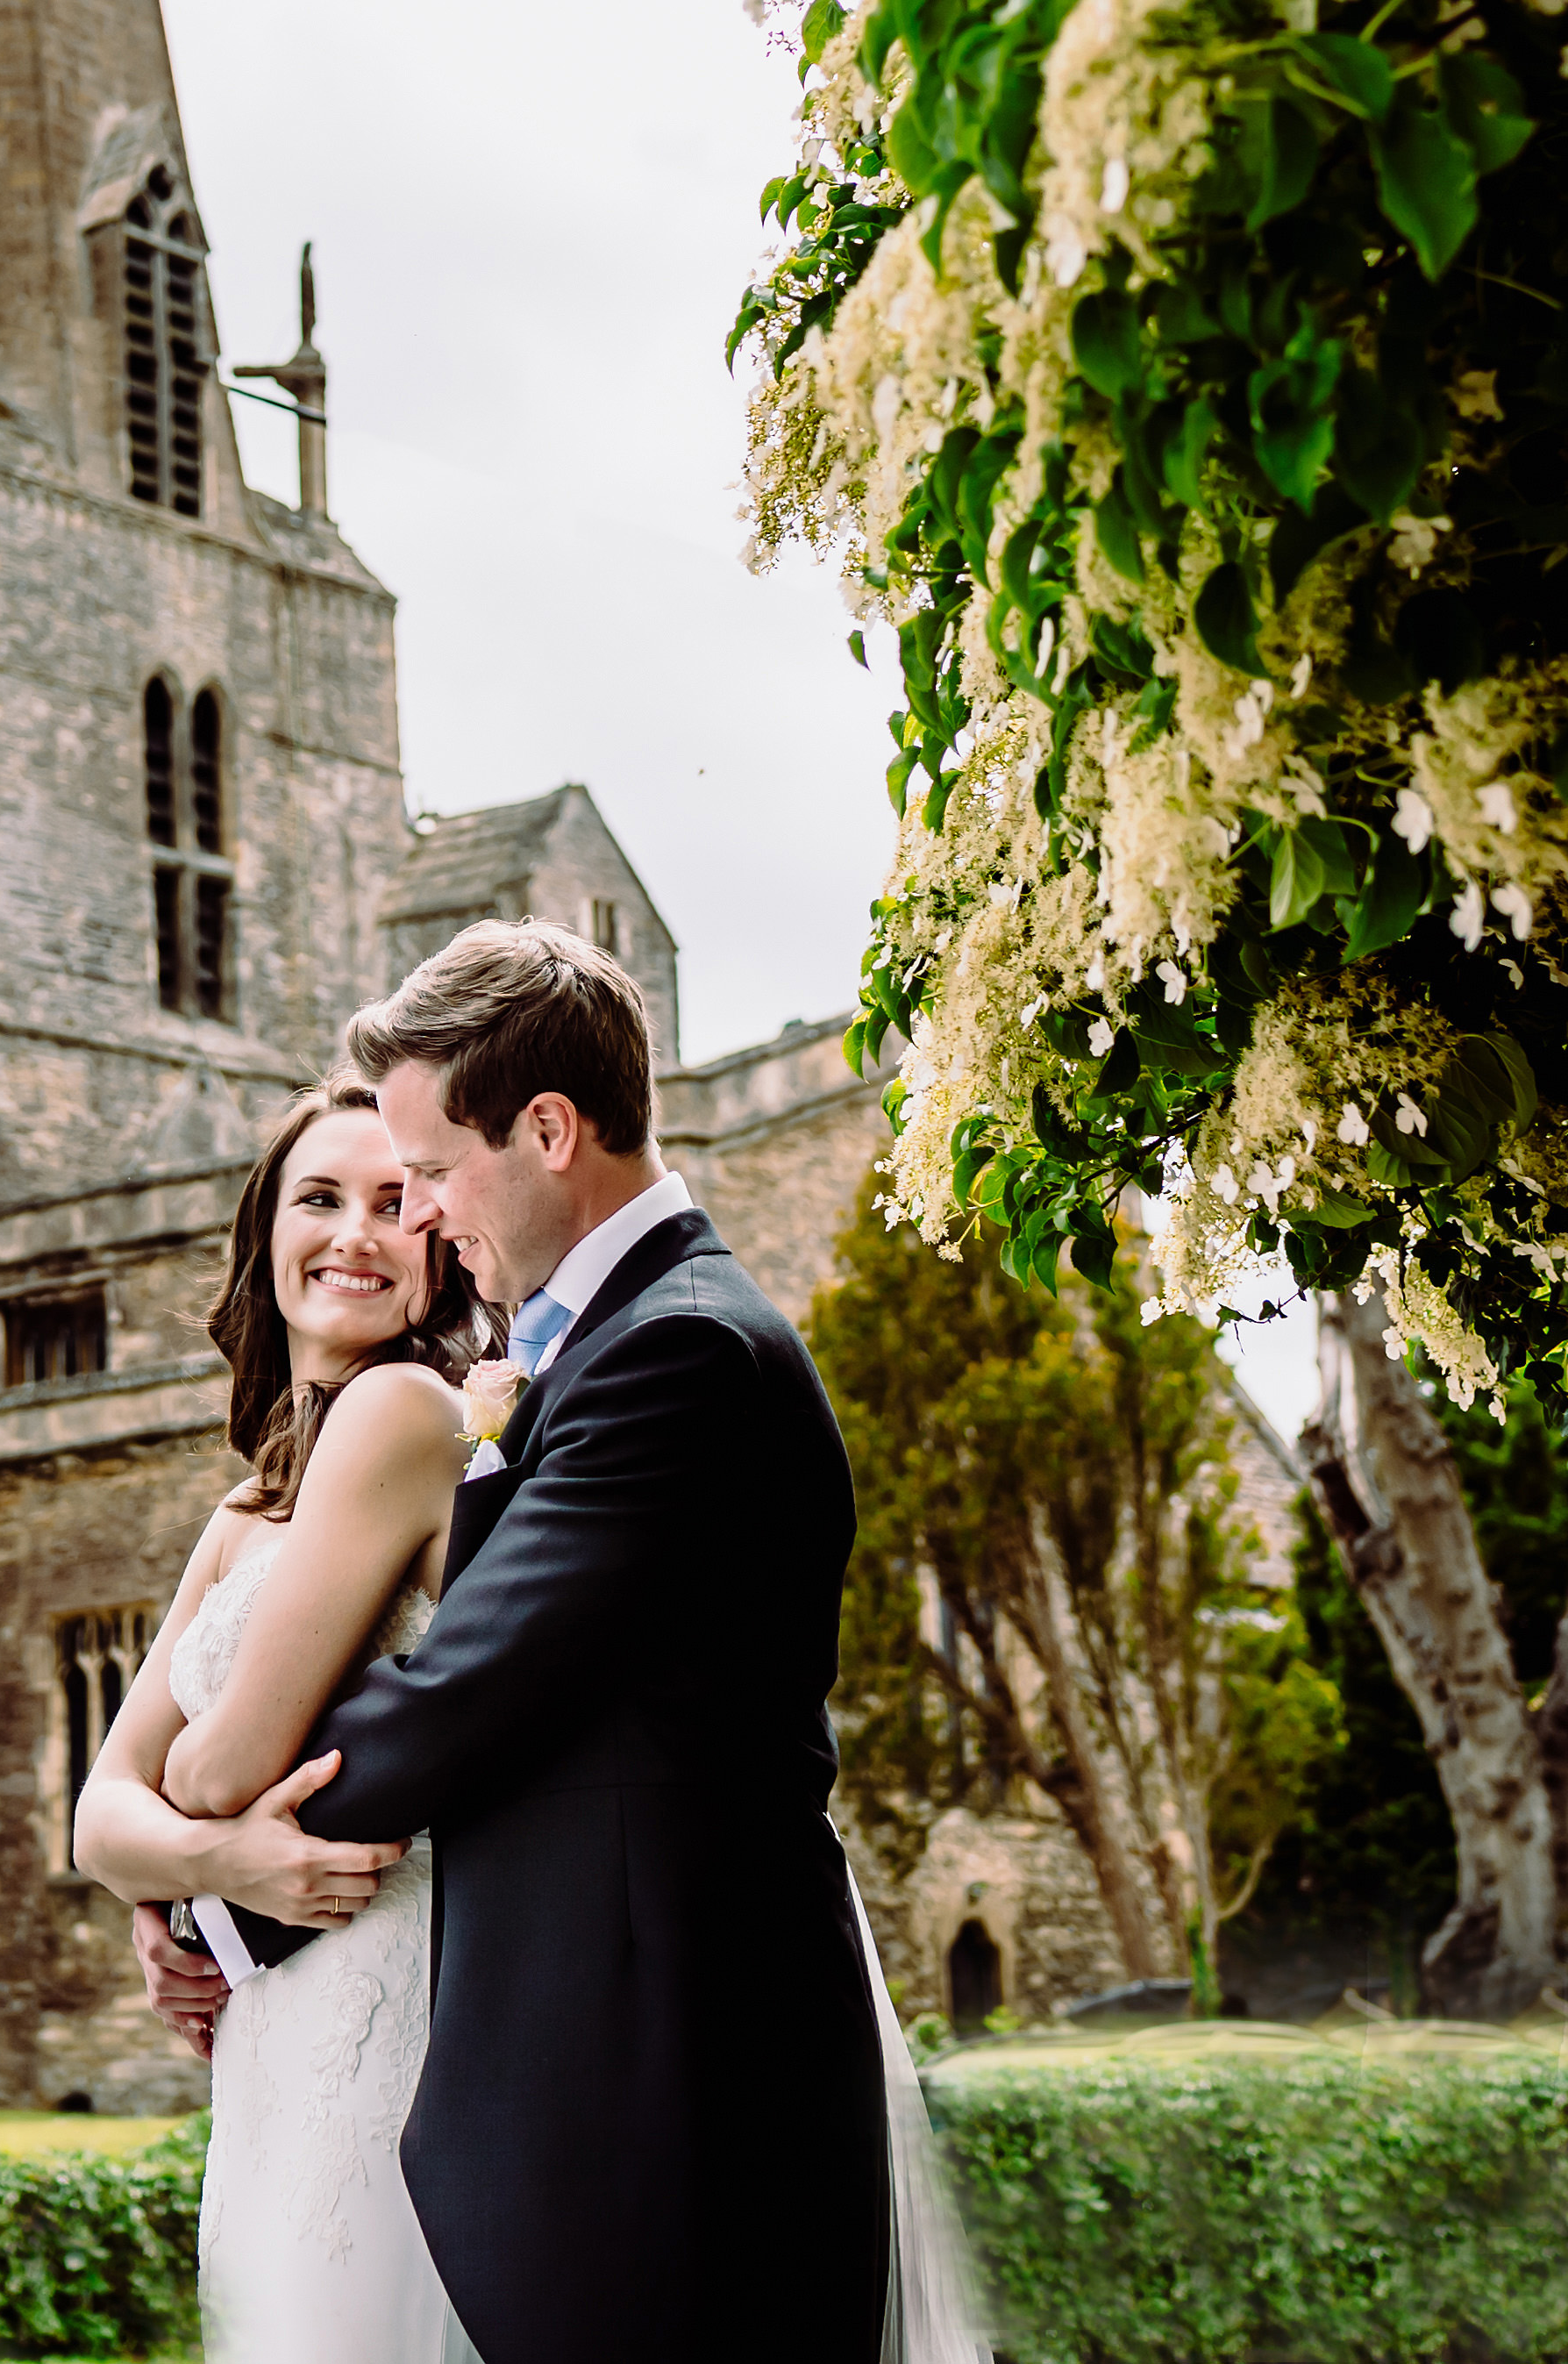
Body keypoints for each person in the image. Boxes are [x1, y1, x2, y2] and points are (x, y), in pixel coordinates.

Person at [90, 919, 974, 2364]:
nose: (423, 1215)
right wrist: (202, 1882)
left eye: (431, 1172)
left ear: (549, 1130)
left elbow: (455, 1698)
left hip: (669, 2092)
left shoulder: (679, 1352)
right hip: (591, 2080)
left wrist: (215, 1874)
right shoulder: (595, 1345)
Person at [70, 1082, 495, 2364]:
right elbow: (99, 1817)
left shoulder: (419, 1415)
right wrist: (216, 1873)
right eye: (320, 1199)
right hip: (274, 2026)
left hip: (393, 1995)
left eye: (394, 1202)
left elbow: (198, 1771)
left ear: (440, 1243)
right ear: (267, 1239)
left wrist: (186, 1831)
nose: (356, 1233)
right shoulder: (241, 1514)